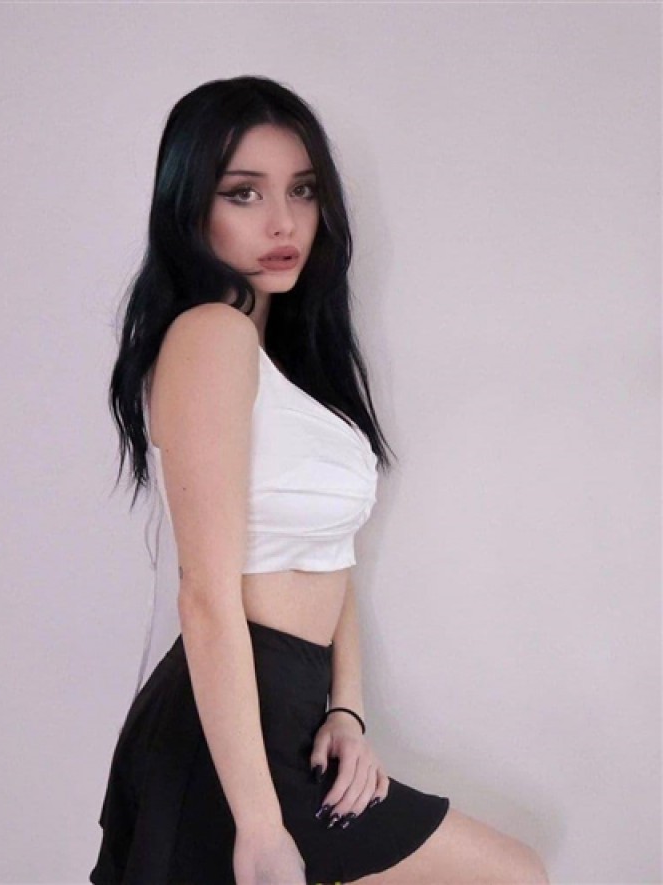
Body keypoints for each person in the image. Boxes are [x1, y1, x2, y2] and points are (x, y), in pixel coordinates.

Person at [89, 75, 550, 885]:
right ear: (188, 207)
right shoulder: (211, 335)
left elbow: (333, 559)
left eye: (302, 190)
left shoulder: (285, 366)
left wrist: (346, 708)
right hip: (235, 725)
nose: (283, 221)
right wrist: (260, 825)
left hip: (293, 712)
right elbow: (205, 594)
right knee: (513, 874)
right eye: (244, 193)